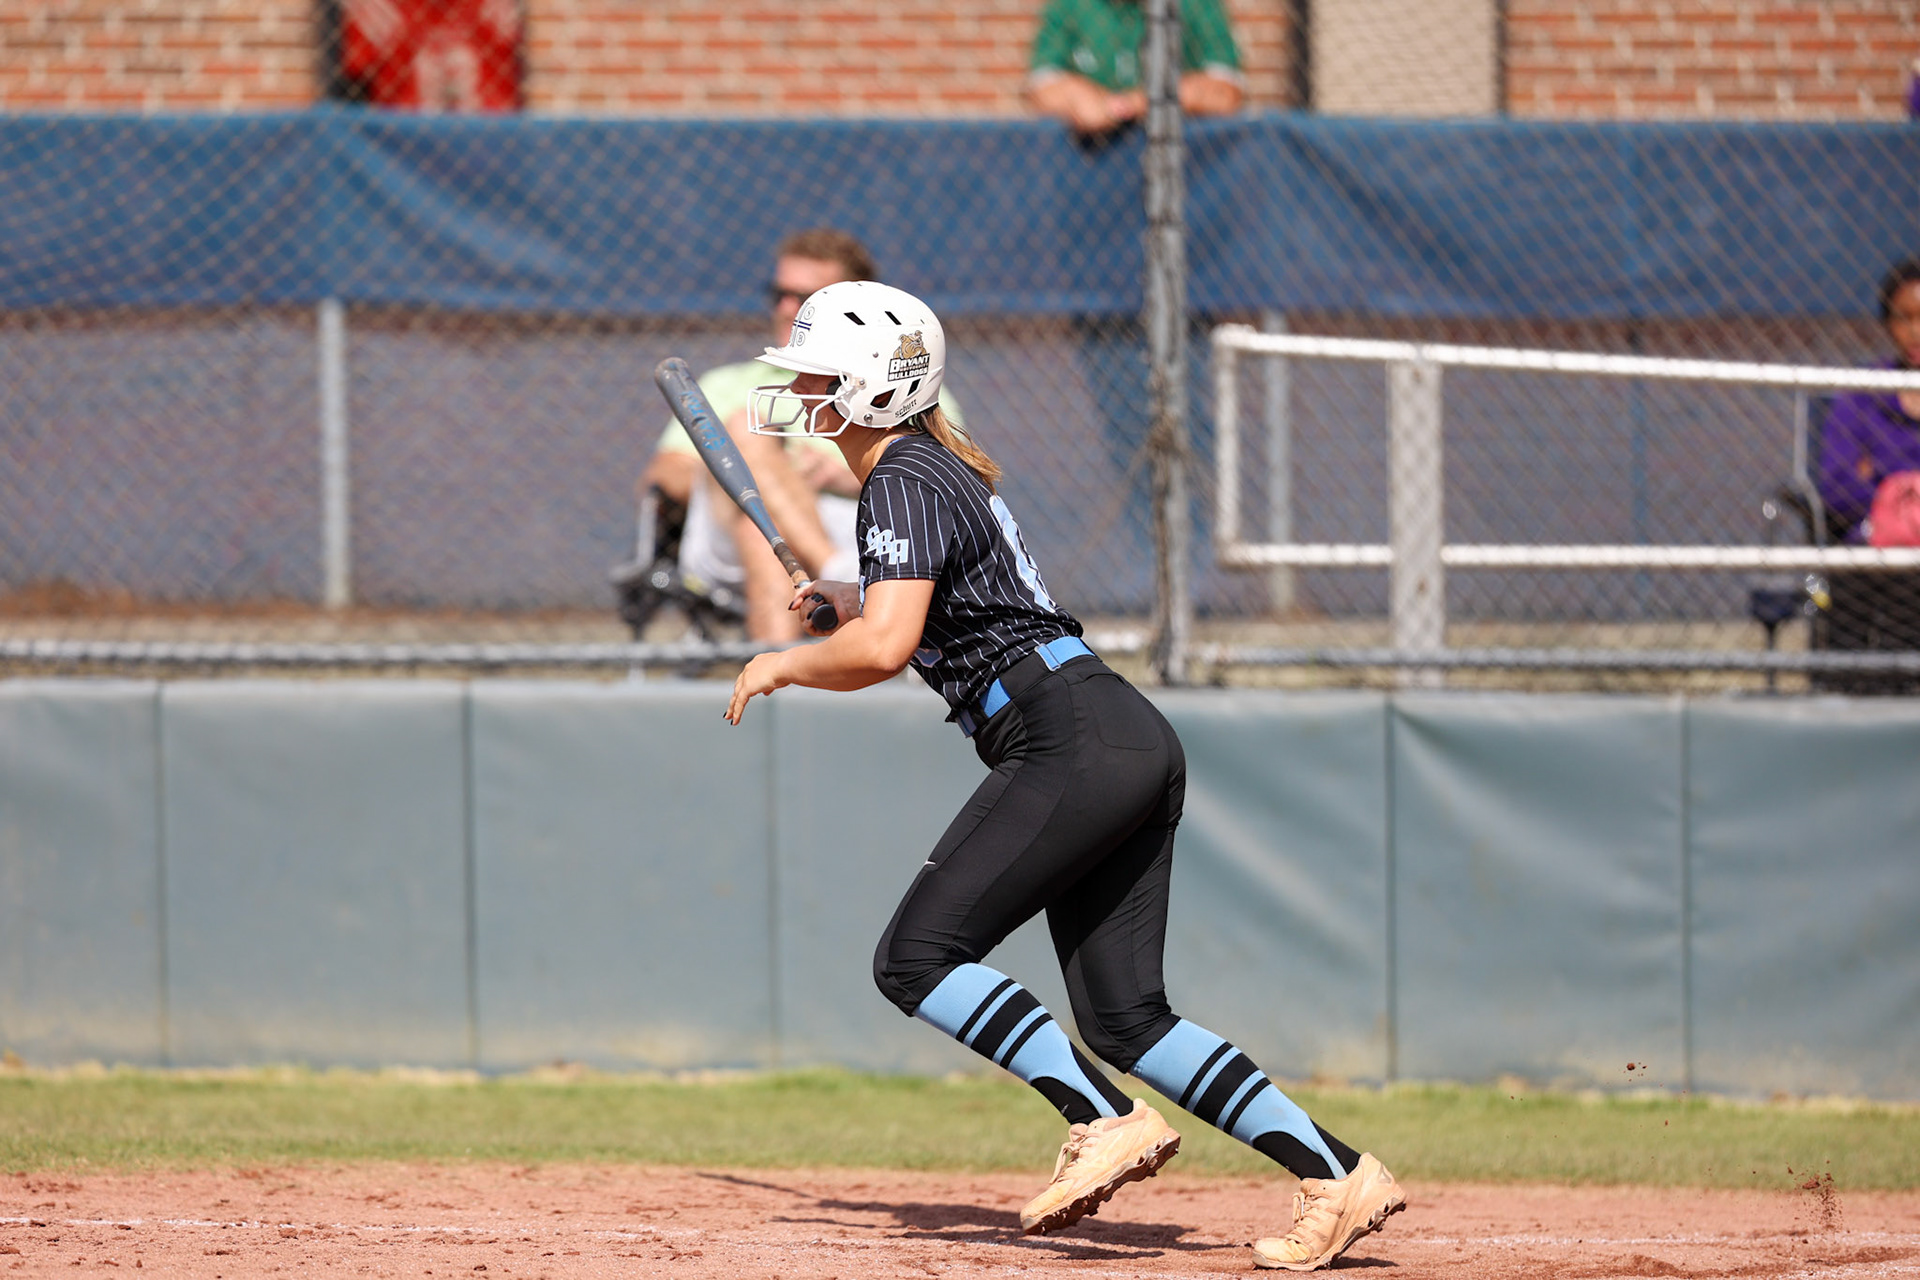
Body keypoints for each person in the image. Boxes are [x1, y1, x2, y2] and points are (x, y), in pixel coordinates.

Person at [724, 280, 1405, 1270]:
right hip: (1110, 729)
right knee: (1126, 1015)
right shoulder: (927, 469)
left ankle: (1099, 1113)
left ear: (872, 384)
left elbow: (886, 646)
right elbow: (921, 606)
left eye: (819, 373)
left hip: (1065, 735)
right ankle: (1337, 1172)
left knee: (915, 957)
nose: (802, 390)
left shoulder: (902, 474)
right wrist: (845, 595)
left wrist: (784, 659)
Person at [639, 228, 963, 642]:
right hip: (730, 535)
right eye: (780, 294)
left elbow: (946, 478)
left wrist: (843, 474)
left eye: (807, 300)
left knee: (765, 543)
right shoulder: (729, 383)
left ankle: (779, 691)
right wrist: (770, 472)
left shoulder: (901, 382)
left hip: (860, 528)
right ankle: (832, 572)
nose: (788, 309)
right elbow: (667, 476)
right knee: (746, 441)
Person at [1812, 256, 1920, 693]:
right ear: (1885, 324)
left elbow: (1859, 480)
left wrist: (1882, 481)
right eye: (1904, 318)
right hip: (1873, 544)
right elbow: (1836, 487)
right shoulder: (1861, 394)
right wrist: (1898, 507)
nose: (1915, 332)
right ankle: (1852, 698)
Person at [1027, 0, 1246, 139]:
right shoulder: (1069, 5)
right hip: (1090, 168)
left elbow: (1226, 92)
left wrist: (1137, 103)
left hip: (1184, 171)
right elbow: (1041, 84)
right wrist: (1083, 100)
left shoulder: (1198, 4)